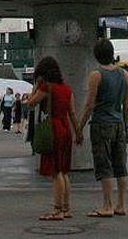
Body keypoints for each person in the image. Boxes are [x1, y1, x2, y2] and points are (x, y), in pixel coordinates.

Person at [77, 37, 128, 218]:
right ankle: (121, 204)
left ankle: (107, 206)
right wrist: (125, 124)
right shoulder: (124, 75)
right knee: (120, 164)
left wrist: (79, 127)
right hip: (118, 124)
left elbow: (89, 105)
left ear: (96, 55)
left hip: (101, 124)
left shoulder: (96, 75)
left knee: (104, 164)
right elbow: (127, 103)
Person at [24, 55, 81, 221]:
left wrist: (35, 86)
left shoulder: (45, 87)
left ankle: (57, 210)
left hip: (53, 129)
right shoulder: (67, 89)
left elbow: (30, 103)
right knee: (64, 171)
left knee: (56, 172)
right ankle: (66, 208)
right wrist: (78, 132)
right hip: (66, 129)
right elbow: (72, 113)